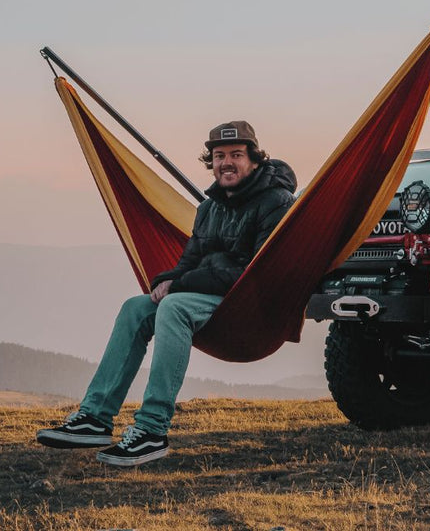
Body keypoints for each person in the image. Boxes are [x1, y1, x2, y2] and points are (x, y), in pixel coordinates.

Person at [35, 121, 296, 466]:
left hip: (249, 308)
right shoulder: (210, 208)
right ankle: (95, 418)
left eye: (236, 155)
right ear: (211, 162)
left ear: (255, 160)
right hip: (210, 299)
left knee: (173, 307)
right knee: (135, 307)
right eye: (219, 156)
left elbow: (258, 274)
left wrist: (181, 284)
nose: (226, 163)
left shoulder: (276, 202)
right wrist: (166, 278)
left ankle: (151, 431)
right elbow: (188, 263)